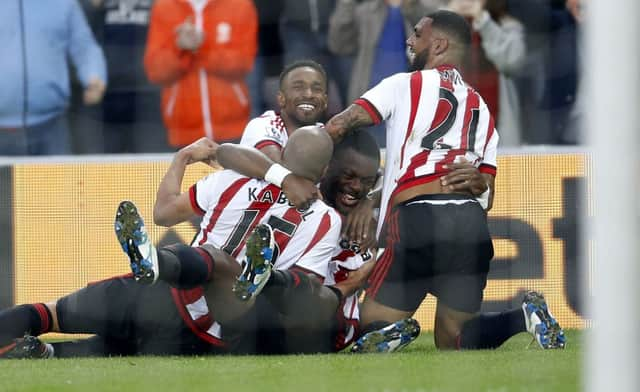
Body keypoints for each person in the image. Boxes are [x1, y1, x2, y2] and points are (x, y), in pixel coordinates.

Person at [324, 10, 566, 350]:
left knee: (367, 329)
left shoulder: (402, 85)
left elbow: (340, 125)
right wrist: (478, 183)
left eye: (418, 33)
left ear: (438, 44)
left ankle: (393, 329)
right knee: (453, 340)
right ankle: (522, 315)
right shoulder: (481, 107)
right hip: (469, 223)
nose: (410, 40)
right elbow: (487, 194)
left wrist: (297, 160)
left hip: (417, 215)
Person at [0, 126, 339, 358]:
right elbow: (303, 291)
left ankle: (156, 262)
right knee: (110, 351)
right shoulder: (326, 220)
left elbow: (163, 213)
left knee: (54, 315)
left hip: (168, 292)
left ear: (281, 153)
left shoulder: (233, 179)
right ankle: (46, 354)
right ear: (324, 171)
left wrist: (181, 159)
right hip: (219, 330)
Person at [144, 0, 258, 147]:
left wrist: (202, 47)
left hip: (233, 129)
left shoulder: (240, 5)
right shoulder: (164, 7)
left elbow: (243, 64)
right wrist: (179, 47)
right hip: (182, 131)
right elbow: (156, 71)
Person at [0, 0, 107, 156]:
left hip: (51, 127)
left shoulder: (64, 3)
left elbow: (84, 46)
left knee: (57, 181)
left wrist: (94, 75)